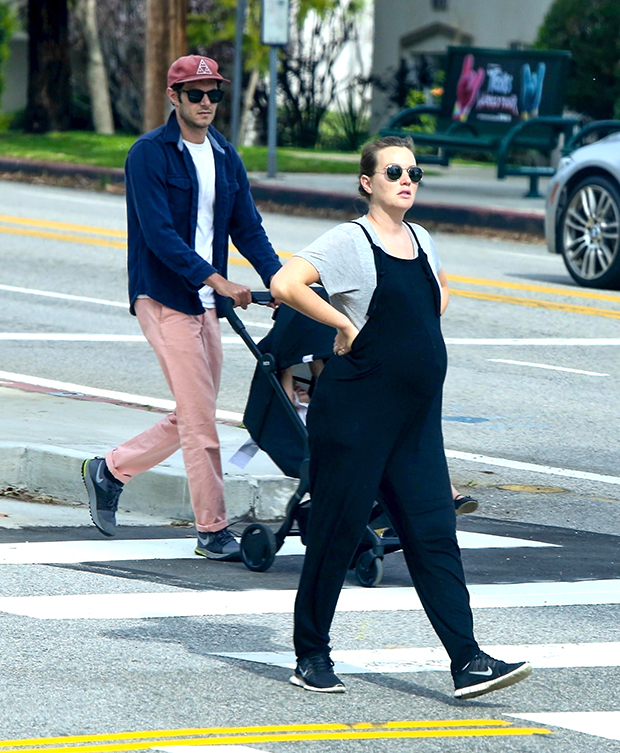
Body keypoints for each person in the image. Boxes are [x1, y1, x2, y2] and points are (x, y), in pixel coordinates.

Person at [270, 136, 531, 698]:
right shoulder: (350, 240)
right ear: (368, 183)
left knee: (435, 534)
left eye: (414, 171)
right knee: (337, 536)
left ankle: (468, 661)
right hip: (356, 418)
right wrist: (343, 326)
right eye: (393, 171)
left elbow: (436, 301)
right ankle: (310, 655)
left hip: (414, 422)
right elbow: (285, 284)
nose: (406, 178)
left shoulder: (422, 239)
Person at [81, 55, 281, 561]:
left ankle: (110, 470)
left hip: (206, 303)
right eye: (196, 94)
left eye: (214, 93)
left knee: (196, 413)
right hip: (164, 296)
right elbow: (160, 237)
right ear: (174, 97)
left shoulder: (225, 156)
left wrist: (279, 281)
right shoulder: (149, 154)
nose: (207, 102)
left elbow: (248, 228)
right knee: (200, 424)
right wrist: (216, 278)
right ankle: (211, 531)